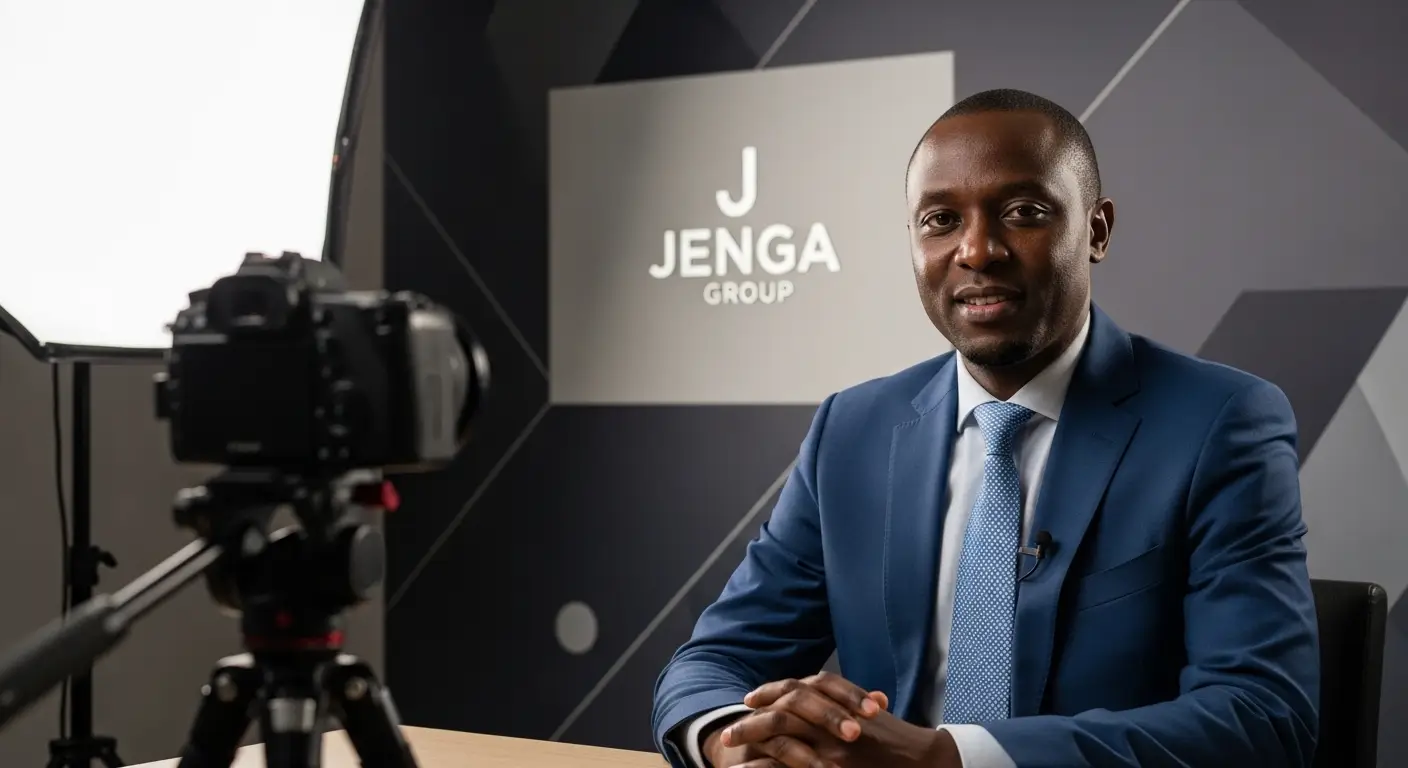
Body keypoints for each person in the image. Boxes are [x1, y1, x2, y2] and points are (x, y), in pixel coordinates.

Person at [649, 88, 1320, 768]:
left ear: (1096, 230)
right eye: (941, 220)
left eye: (1023, 212)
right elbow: (721, 657)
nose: (977, 250)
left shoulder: (1220, 423)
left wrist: (947, 759)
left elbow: (1261, 716)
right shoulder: (852, 430)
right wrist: (732, 741)